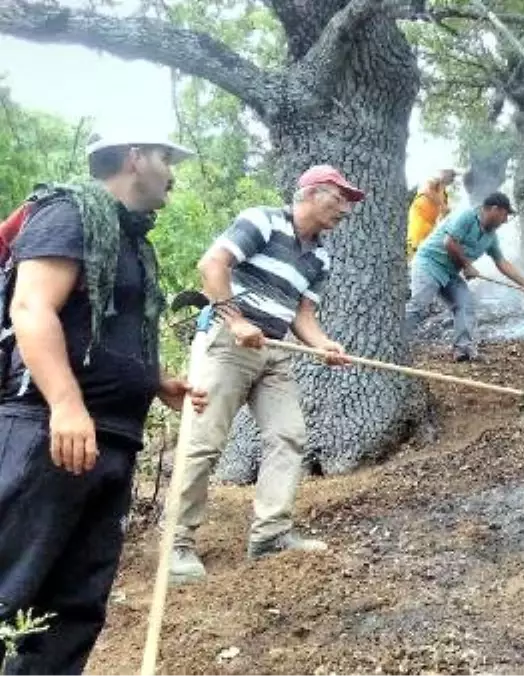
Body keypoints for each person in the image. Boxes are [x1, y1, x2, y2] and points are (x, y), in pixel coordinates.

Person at [0, 132, 206, 674]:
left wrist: (155, 379)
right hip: (45, 434)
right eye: (166, 158)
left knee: (74, 607)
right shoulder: (68, 212)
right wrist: (67, 406)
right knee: (10, 587)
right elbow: (31, 307)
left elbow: (103, 327)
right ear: (134, 156)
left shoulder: (133, 238)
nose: (172, 173)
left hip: (112, 440)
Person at [167, 164, 357, 584]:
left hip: (273, 351)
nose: (345, 209)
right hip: (228, 344)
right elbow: (212, 265)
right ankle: (176, 543)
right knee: (203, 441)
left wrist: (323, 344)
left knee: (289, 434)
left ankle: (270, 536)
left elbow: (303, 315)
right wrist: (235, 320)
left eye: (349, 201)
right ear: (309, 192)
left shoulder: (321, 256)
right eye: (338, 197)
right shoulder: (264, 221)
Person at [405, 191, 524, 362]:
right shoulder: (467, 216)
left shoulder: (491, 237)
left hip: (450, 272)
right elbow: (449, 242)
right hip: (429, 263)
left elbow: (502, 262)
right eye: (504, 215)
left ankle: (463, 350)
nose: (505, 221)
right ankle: (391, 341)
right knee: (419, 305)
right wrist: (467, 265)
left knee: (465, 304)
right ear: (494, 209)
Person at [406, 168, 458, 259]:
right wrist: (443, 205)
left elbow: (444, 214)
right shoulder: (432, 181)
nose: (452, 178)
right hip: (419, 217)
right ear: (443, 173)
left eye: (453, 177)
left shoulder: (444, 194)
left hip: (431, 224)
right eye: (451, 175)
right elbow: (427, 191)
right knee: (418, 243)